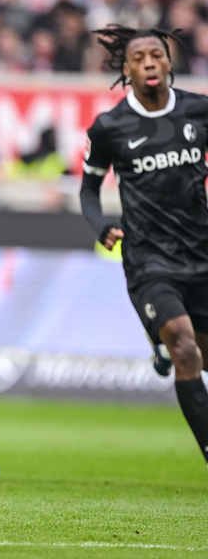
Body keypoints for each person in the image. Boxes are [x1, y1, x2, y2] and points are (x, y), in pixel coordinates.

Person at [80, 25, 208, 471]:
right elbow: (89, 192)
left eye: (157, 54)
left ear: (169, 62)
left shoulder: (199, 110)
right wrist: (101, 227)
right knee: (185, 347)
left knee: (197, 353)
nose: (150, 62)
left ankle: (157, 342)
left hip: (202, 254)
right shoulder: (110, 127)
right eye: (139, 58)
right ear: (126, 69)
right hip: (149, 259)